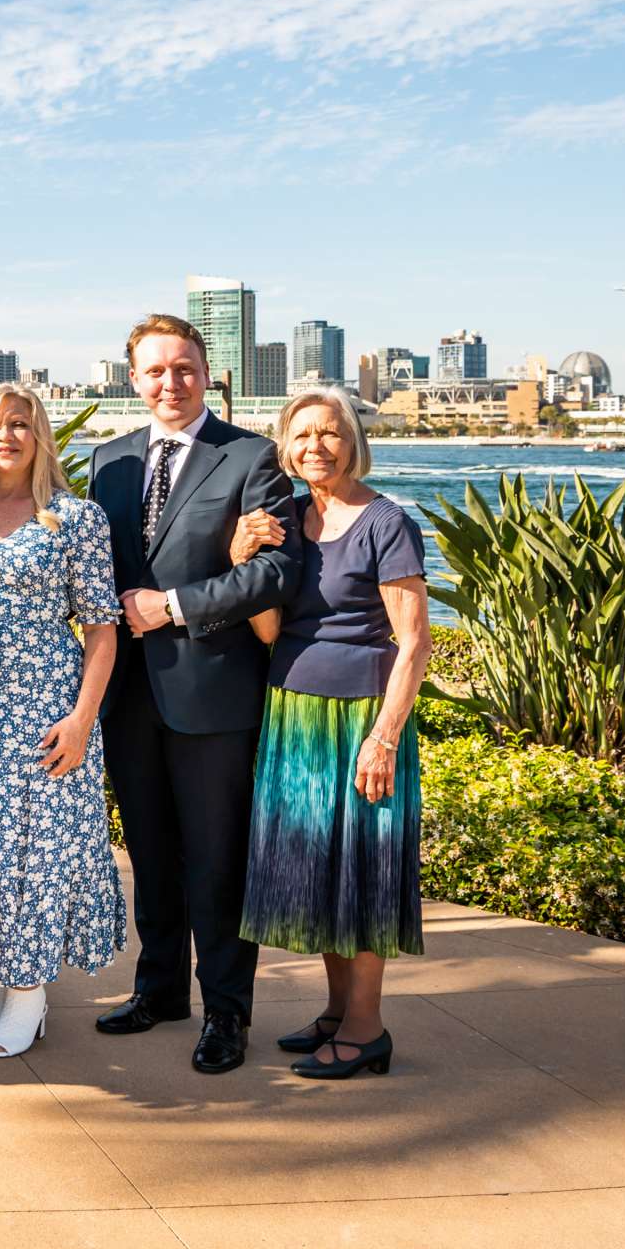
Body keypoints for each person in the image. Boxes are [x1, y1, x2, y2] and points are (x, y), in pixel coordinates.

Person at [90, 314, 299, 1075]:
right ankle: (160, 991)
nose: (169, 383)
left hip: (212, 695)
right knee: (148, 852)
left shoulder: (252, 458)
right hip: (128, 695)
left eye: (183, 368)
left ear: (206, 374)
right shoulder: (109, 462)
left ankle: (227, 1014)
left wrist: (171, 606)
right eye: (154, 371)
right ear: (134, 379)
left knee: (216, 860)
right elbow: (94, 570)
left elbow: (275, 574)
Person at [227, 391, 430, 1080]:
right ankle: (339, 1011)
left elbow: (415, 644)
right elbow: (271, 629)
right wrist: (240, 560)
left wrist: (385, 738)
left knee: (364, 872)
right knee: (323, 869)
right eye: (302, 434)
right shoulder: (289, 520)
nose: (316, 445)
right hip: (295, 713)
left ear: (353, 442)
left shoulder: (386, 522)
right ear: (285, 446)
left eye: (330, 433)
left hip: (360, 720)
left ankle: (368, 1029)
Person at [0, 385, 125, 1059]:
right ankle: (2, 983)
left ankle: (31, 992)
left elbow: (101, 631)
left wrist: (81, 720)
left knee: (36, 853)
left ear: (40, 436)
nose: (7, 435)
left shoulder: (75, 518)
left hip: (45, 708)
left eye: (21, 424)